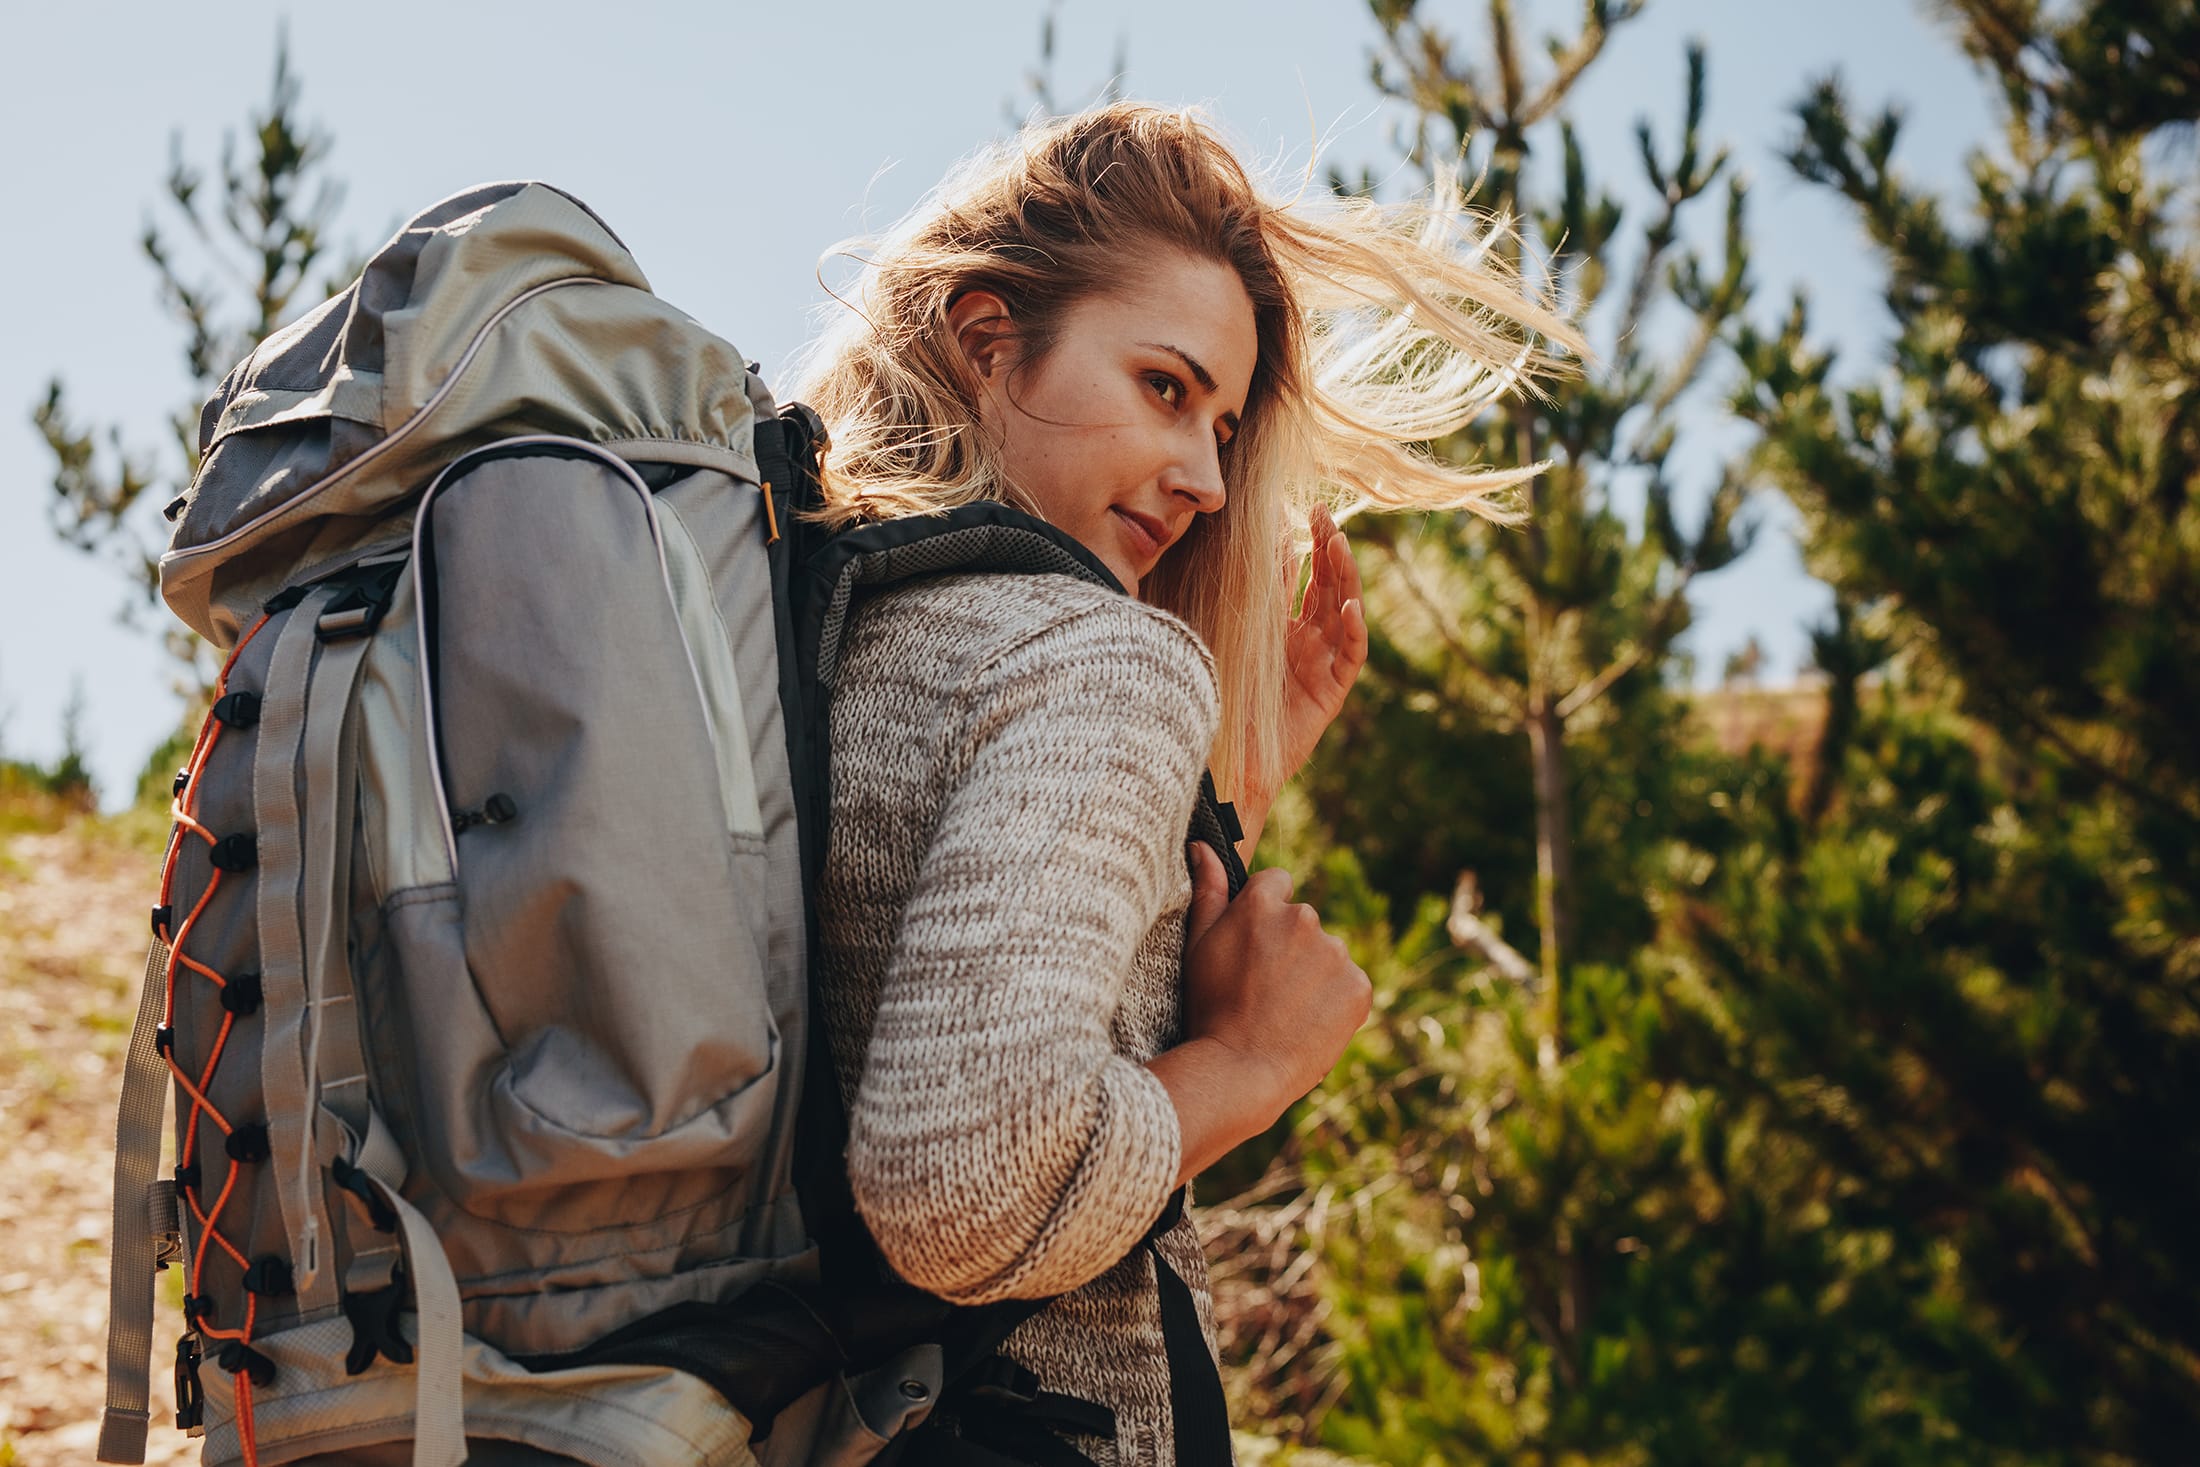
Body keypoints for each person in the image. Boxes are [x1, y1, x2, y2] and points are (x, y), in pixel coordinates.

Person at [787, 103, 1578, 1466]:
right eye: (1167, 387)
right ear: (988, 340)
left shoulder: (817, 632)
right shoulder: (1100, 656)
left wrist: (1226, 798)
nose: (1209, 478)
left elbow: (979, 982)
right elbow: (961, 1189)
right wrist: (1254, 1064)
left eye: (1222, 423)